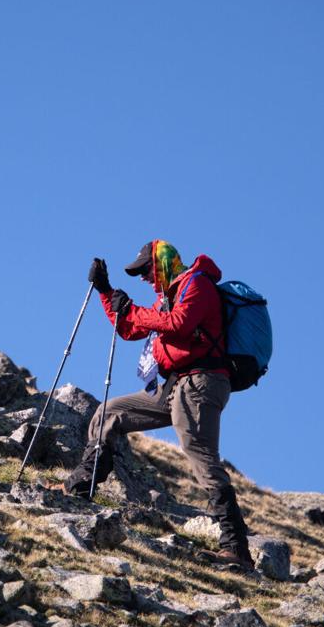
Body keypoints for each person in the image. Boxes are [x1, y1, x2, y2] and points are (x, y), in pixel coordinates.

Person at [62, 239, 255, 570]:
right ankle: (82, 485)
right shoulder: (168, 297)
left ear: (163, 263)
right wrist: (107, 293)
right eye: (140, 274)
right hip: (175, 384)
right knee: (110, 412)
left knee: (200, 455)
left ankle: (236, 548)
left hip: (200, 382)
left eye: (146, 270)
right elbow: (129, 328)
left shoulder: (197, 285)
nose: (144, 279)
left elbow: (179, 324)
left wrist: (132, 308)